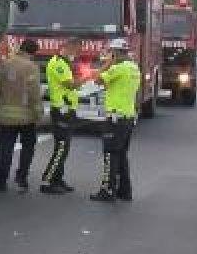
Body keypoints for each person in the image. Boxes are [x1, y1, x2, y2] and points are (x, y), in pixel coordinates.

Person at [90, 38, 141, 203]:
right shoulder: (134, 68)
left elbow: (97, 79)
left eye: (111, 52)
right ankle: (125, 190)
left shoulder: (118, 68)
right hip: (128, 117)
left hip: (115, 118)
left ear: (116, 53)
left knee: (110, 154)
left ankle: (107, 190)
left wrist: (107, 64)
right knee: (121, 154)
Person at [0, 38, 42, 192]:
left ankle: (0, 181)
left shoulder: (5, 64)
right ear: (33, 53)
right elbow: (34, 93)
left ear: (21, 48)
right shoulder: (31, 67)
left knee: (5, 148)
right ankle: (21, 177)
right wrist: (38, 112)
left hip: (6, 115)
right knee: (28, 147)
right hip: (26, 116)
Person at [42, 38, 81, 194]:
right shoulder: (58, 63)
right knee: (61, 148)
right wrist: (86, 79)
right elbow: (69, 84)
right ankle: (47, 181)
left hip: (67, 110)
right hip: (61, 111)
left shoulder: (64, 63)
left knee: (64, 148)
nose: (77, 54)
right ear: (68, 47)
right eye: (76, 50)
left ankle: (58, 179)